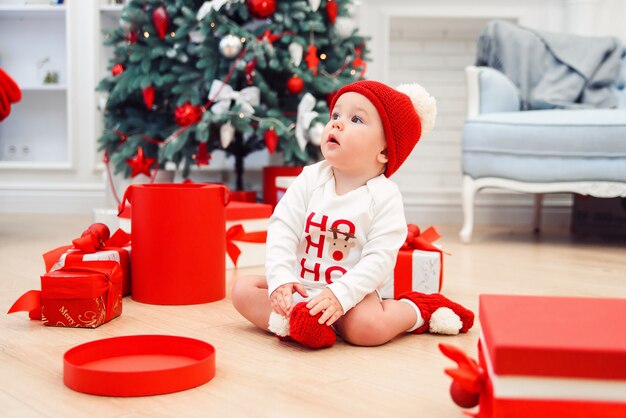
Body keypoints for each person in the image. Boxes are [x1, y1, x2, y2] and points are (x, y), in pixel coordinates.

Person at [232, 80, 474, 348]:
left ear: (383, 151)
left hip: (351, 295)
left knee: (367, 329)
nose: (336, 123)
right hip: (302, 286)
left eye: (356, 119)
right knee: (242, 290)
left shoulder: (384, 196)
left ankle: (416, 310)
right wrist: (281, 280)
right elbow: (283, 227)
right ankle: (302, 319)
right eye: (336, 115)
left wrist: (340, 295)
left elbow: (379, 260)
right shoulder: (311, 178)